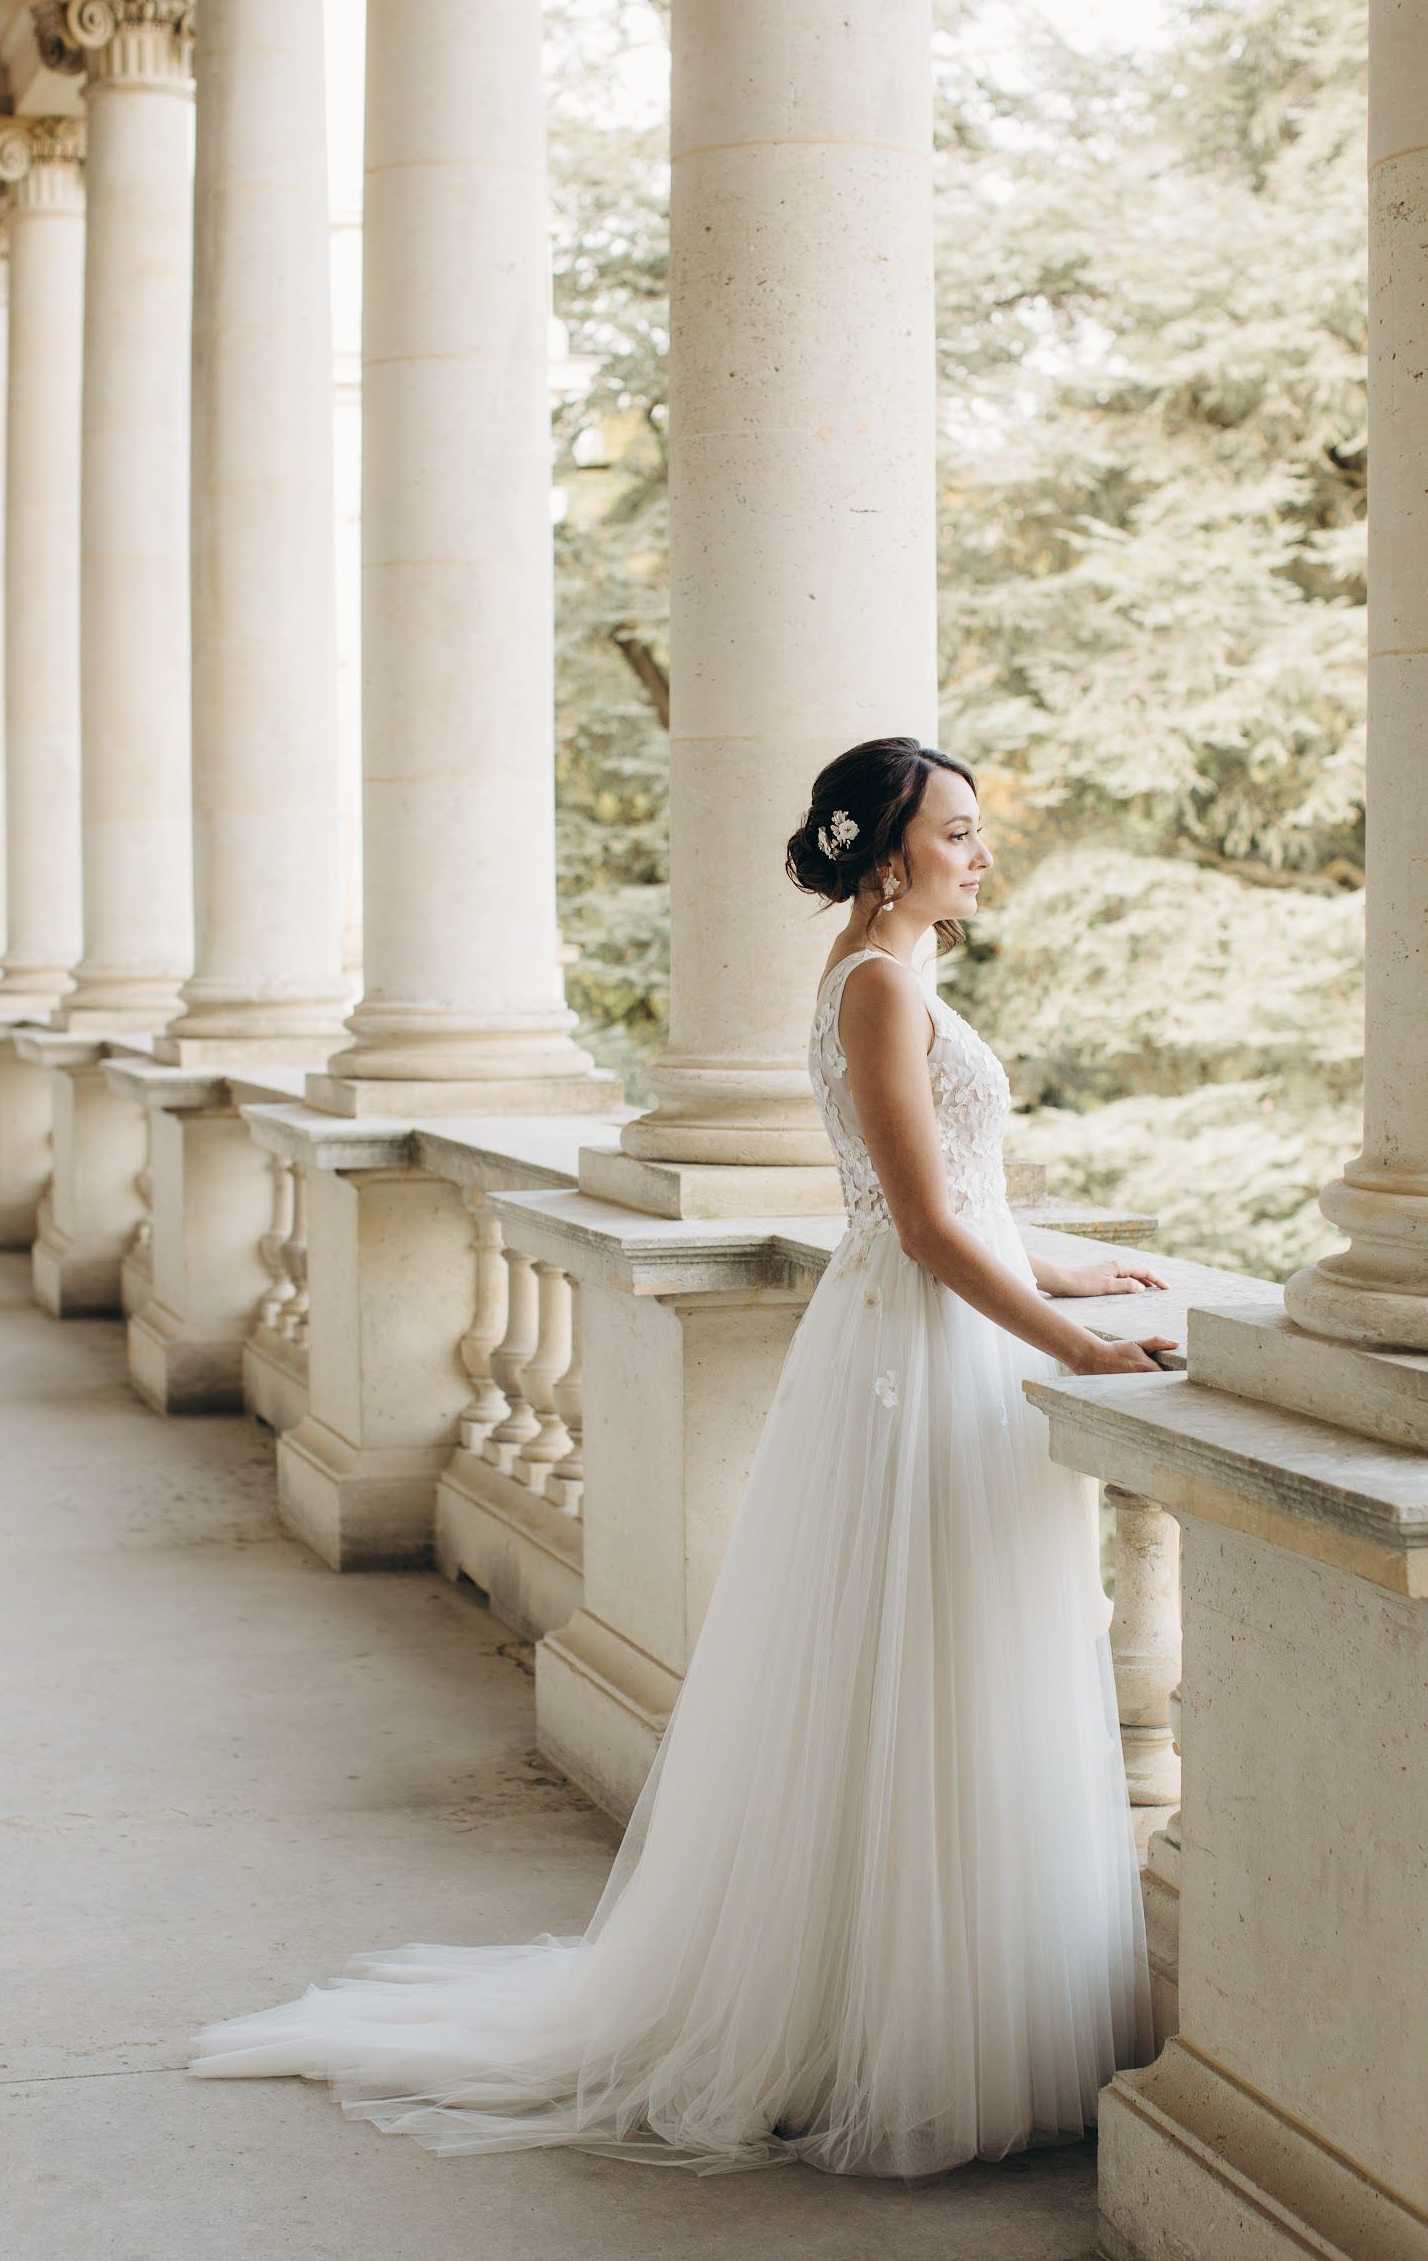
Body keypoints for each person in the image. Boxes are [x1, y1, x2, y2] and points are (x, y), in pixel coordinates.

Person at [189, 734, 1177, 2180]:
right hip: (916, 1346)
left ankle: (918, 2003)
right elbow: (917, 1221)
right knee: (916, 1664)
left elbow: (964, 1195)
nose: (979, 854)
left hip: (937, 1337)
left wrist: (1064, 1278)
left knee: (947, 1665)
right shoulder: (882, 984)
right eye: (957, 832)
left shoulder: (886, 972)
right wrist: (1073, 1345)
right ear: (890, 848)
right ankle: (880, 2027)